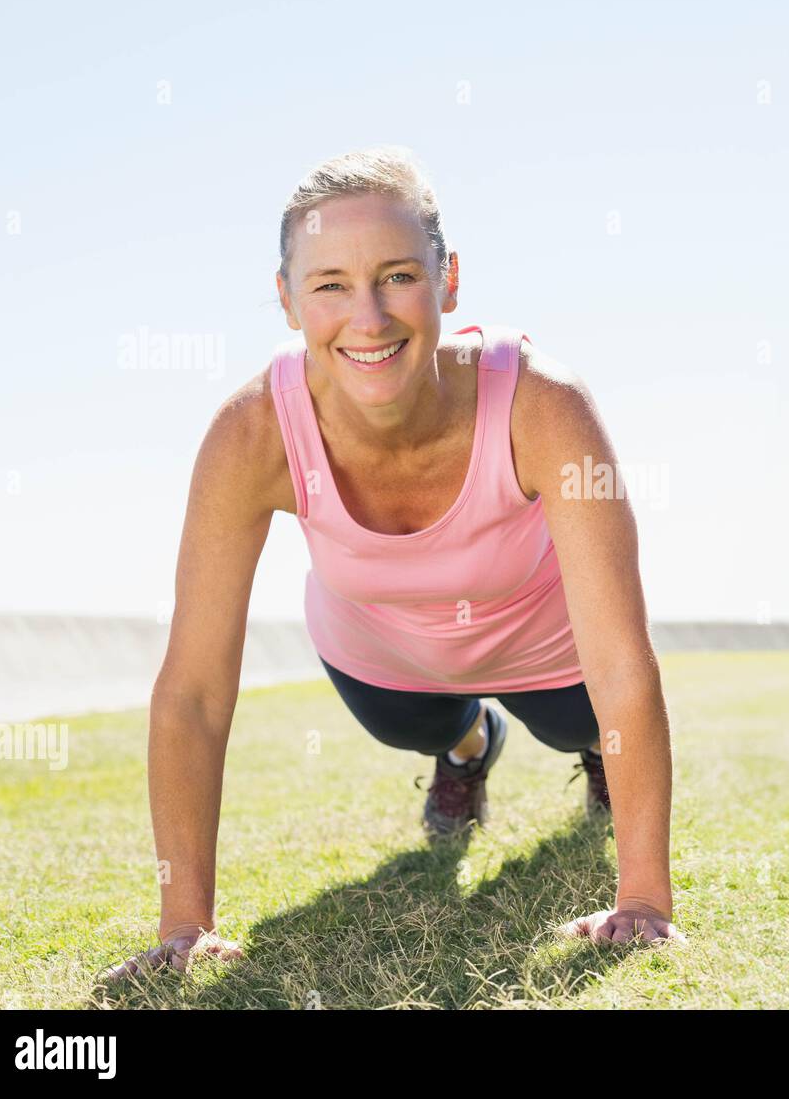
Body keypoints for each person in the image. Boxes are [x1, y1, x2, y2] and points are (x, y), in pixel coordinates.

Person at [101, 146, 682, 983]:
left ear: (447, 283)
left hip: (548, 655)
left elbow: (622, 658)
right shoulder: (252, 432)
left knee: (582, 721)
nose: (367, 317)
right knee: (411, 727)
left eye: (398, 276)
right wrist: (184, 923)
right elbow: (192, 690)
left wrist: (645, 901)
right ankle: (470, 745)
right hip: (387, 660)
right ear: (288, 299)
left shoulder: (540, 402)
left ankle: (594, 757)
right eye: (330, 284)